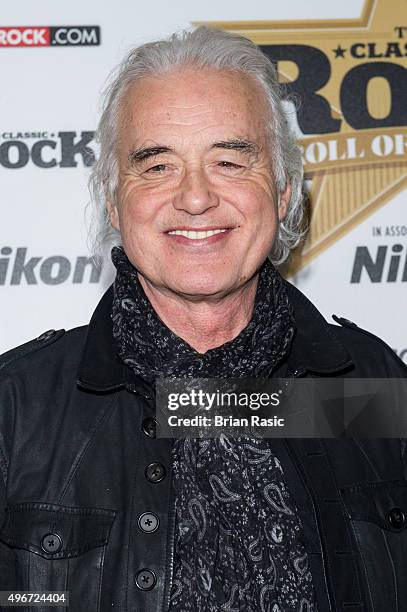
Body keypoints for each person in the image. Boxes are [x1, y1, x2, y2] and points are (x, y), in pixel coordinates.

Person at [0, 26, 406, 612]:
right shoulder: (18, 408)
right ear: (115, 200)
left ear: (285, 189)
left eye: (229, 161)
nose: (195, 198)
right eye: (157, 166)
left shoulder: (373, 385)